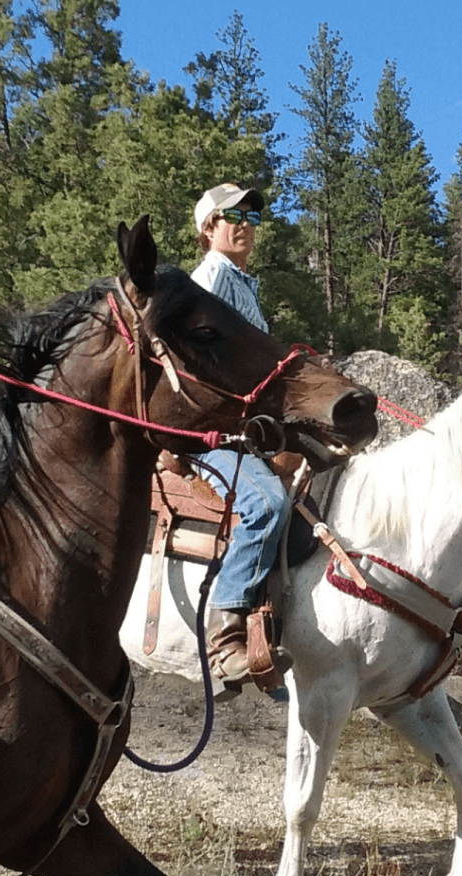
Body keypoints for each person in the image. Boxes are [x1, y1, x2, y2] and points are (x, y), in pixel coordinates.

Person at [189, 183, 290, 692]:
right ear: (209, 228)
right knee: (268, 504)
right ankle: (226, 636)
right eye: (235, 214)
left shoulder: (240, 284)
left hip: (247, 431)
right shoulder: (210, 278)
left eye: (252, 214)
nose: (247, 222)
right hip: (215, 435)